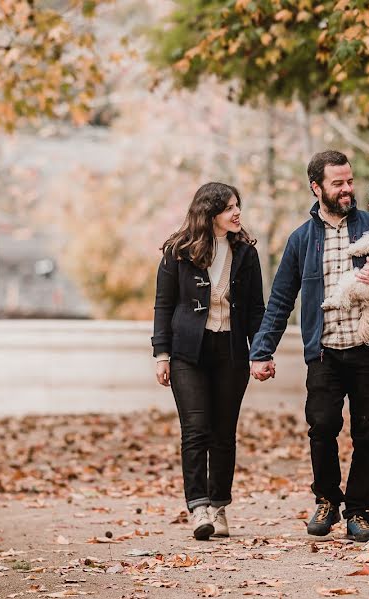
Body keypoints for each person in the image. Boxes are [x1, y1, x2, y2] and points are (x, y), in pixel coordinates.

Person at [249, 150, 369, 543]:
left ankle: (359, 512)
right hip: (325, 352)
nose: (347, 189)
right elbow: (280, 300)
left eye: (350, 181)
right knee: (322, 427)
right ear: (317, 188)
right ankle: (327, 500)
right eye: (337, 183)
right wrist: (261, 351)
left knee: (367, 433)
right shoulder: (301, 239)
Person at [151, 182, 265, 541]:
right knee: (196, 429)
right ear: (209, 212)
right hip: (188, 354)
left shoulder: (246, 252)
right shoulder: (178, 251)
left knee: (223, 433)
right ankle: (198, 506)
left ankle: (219, 506)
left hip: (231, 352)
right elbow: (163, 305)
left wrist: (262, 350)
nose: (237, 213)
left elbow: (257, 309)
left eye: (238, 206)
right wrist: (161, 353)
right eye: (230, 207)